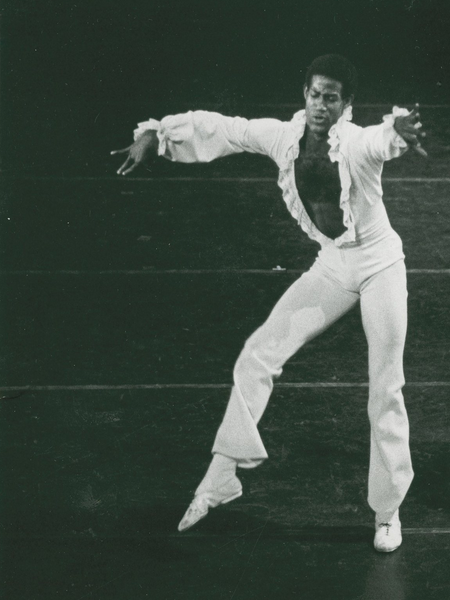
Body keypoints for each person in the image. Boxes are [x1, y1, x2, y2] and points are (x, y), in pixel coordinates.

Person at [112, 54, 427, 552]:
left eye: (332, 97)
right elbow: (227, 129)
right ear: (303, 94)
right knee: (258, 352)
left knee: (385, 386)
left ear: (346, 105)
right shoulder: (284, 138)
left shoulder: (356, 143)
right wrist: (160, 134)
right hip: (333, 264)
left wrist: (399, 132)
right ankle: (221, 478)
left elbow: (380, 142)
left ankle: (388, 513)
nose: (321, 105)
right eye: (314, 94)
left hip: (381, 266)